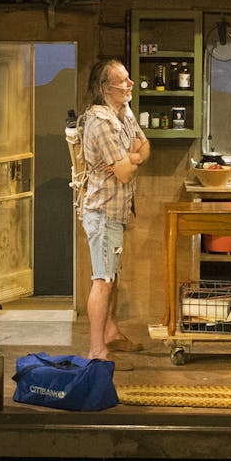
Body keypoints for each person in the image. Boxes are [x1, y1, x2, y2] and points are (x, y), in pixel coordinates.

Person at [78, 58, 150, 367]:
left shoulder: (124, 113)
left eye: (129, 79)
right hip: (103, 211)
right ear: (106, 88)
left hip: (117, 212)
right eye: (123, 81)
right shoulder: (101, 122)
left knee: (112, 276)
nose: (130, 84)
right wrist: (131, 158)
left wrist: (131, 156)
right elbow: (122, 173)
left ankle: (110, 332)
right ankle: (97, 351)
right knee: (103, 279)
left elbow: (145, 148)